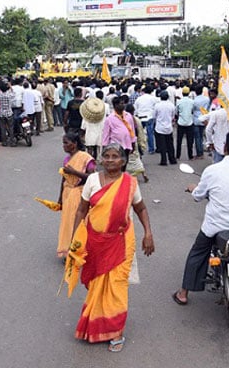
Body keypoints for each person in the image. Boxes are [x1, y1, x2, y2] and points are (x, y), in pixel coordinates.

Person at [66, 143, 154, 352]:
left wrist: (148, 233)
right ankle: (94, 326)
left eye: (115, 156)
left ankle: (115, 331)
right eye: (106, 156)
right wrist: (74, 239)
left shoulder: (130, 183)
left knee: (116, 286)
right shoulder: (93, 180)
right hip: (94, 241)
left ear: (123, 161)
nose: (110, 160)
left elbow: (140, 208)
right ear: (101, 159)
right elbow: (81, 210)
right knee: (97, 284)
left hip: (121, 241)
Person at [173, 129, 229, 305]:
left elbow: (198, 196)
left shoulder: (213, 170)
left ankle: (183, 293)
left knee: (198, 253)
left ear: (225, 147)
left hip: (216, 226)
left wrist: (193, 189)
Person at [56, 133, 95, 258]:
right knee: (67, 223)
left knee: (78, 222)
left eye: (66, 143)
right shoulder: (67, 159)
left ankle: (78, 249)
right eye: (63, 143)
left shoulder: (85, 157)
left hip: (80, 193)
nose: (64, 146)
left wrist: (75, 172)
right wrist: (60, 198)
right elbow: (64, 178)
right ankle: (67, 250)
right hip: (68, 193)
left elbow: (92, 176)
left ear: (75, 143)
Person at [102, 95, 136, 169]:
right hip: (115, 144)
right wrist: (104, 147)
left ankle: (122, 176)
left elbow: (132, 129)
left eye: (123, 103)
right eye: (121, 104)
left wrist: (133, 142)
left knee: (124, 162)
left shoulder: (128, 116)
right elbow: (106, 134)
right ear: (115, 105)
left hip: (127, 143)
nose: (123, 105)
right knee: (116, 162)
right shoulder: (110, 118)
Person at [154, 90, 177, 166]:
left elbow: (155, 116)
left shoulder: (157, 105)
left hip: (160, 127)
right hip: (169, 127)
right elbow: (173, 116)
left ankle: (163, 160)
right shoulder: (171, 105)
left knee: (162, 145)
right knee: (170, 144)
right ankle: (172, 159)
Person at [134, 85, 157, 154]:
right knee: (150, 134)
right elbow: (155, 108)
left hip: (140, 117)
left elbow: (135, 108)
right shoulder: (153, 98)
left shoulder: (139, 98)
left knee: (139, 134)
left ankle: (139, 148)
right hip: (149, 117)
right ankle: (151, 149)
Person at [176, 86, 194, 160]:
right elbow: (193, 110)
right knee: (190, 141)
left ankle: (178, 155)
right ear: (188, 93)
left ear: (182, 93)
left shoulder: (179, 102)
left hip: (181, 122)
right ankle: (190, 155)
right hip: (189, 122)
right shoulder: (192, 102)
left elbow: (176, 111)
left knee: (179, 140)